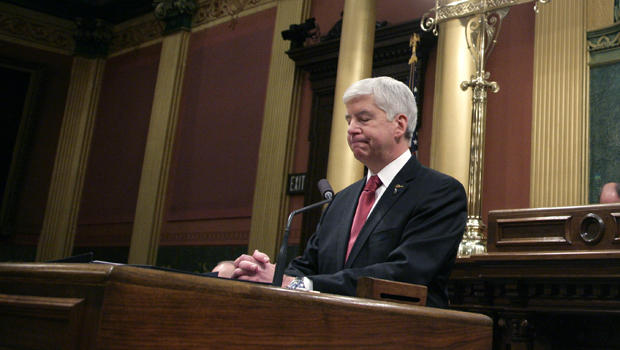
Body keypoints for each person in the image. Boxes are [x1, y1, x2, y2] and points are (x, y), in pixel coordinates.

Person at [232, 76, 467, 308]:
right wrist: (266, 274)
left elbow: (405, 273)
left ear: (400, 125)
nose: (351, 129)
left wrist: (299, 284)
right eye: (349, 120)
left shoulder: (439, 192)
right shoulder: (342, 199)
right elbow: (308, 265)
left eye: (363, 119)